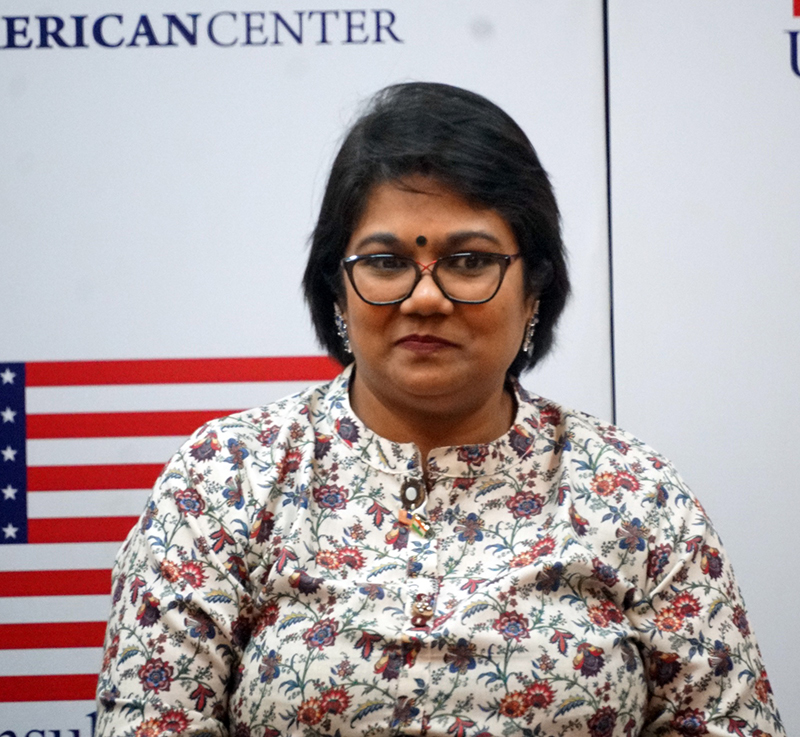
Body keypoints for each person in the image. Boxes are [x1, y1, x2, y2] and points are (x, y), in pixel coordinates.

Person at [95, 83, 784, 736]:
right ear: (337, 290)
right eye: (386, 262)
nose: (426, 297)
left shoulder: (634, 494)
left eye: (469, 260)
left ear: (534, 288)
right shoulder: (224, 480)